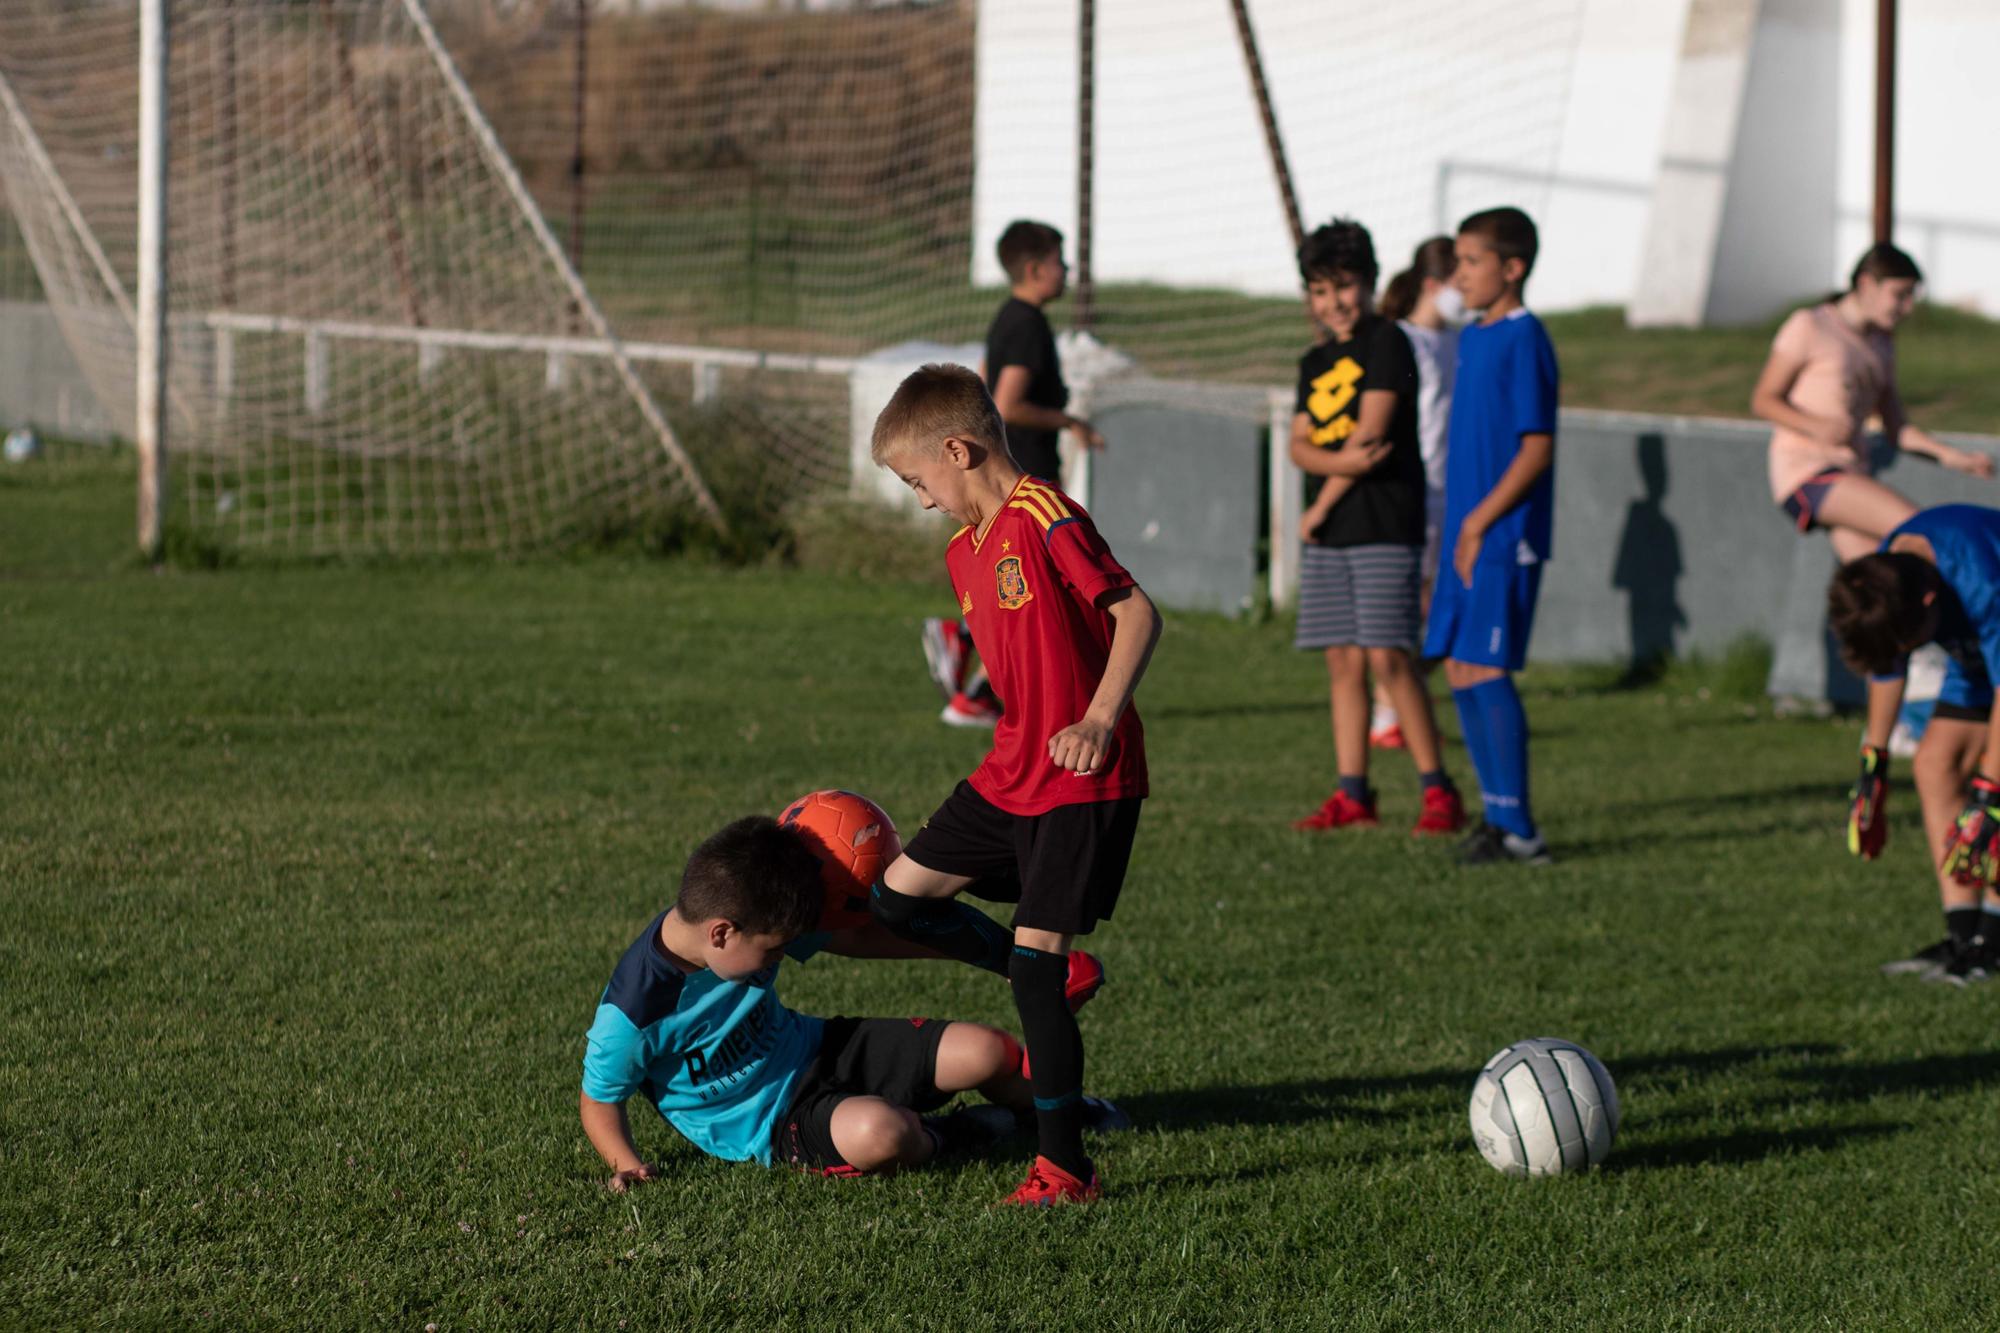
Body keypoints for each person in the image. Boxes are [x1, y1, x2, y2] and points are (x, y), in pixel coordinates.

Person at [869, 363, 1160, 1205]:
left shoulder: (1047, 514)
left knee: (1035, 971)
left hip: (1080, 777)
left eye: (920, 480)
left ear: (958, 450)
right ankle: (1053, 970)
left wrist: (1100, 719)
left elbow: (1137, 613)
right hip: (1010, 772)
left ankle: (1066, 1166)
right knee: (896, 896)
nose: (924, 500)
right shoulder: (965, 552)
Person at [578, 816, 1124, 1187]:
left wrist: (994, 958)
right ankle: (961, 1132)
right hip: (775, 1121)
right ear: (721, 933)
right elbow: (600, 1100)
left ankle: (1044, 1114)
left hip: (818, 1047)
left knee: (988, 1050)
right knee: (882, 1133)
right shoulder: (633, 1013)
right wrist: (628, 1164)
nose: (781, 957)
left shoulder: (752, 917)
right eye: (774, 951)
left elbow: (858, 938)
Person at [1286, 219, 1464, 836]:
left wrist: (1319, 502)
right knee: (1342, 660)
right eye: (1319, 290)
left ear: (1368, 283)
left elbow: (1374, 435)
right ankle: (1353, 792)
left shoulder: (1389, 342)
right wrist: (1335, 473)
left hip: (1385, 521)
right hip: (1334, 529)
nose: (1334, 303)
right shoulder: (1314, 360)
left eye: (1345, 286)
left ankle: (1439, 791)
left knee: (1391, 657)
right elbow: (1300, 445)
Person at [924, 220, 1105, 729]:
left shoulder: (1007, 317)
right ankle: (976, 679)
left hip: (1002, 470)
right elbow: (1006, 402)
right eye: (1060, 262)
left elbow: (981, 385)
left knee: (1021, 587)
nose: (1066, 271)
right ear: (1035, 268)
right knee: (1032, 589)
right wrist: (1069, 420)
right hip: (1024, 472)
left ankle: (975, 668)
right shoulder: (1028, 325)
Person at [1423, 207, 1558, 866]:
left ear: (1513, 268)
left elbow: (1535, 449)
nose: (1459, 275)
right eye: (1457, 261)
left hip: (1501, 534)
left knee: (1486, 664)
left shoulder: (1525, 338)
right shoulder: (1475, 336)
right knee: (1459, 665)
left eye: (1472, 261)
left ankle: (1521, 829)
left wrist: (1479, 522)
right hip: (1465, 530)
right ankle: (1497, 815)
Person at [1831, 504, 2000, 986]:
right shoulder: (1886, 577)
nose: (1907, 654)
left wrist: (1989, 793)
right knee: (1933, 764)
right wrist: (1874, 765)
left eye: (1911, 643)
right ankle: (1963, 936)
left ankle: (1994, 940)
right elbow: (1887, 666)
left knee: (1995, 800)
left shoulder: (1980, 578)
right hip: (1980, 660)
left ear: (1930, 600)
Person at [1751, 243, 1992, 565]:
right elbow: (1763, 400)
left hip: (1852, 471)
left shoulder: (1881, 344)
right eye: (1900, 295)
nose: (1906, 308)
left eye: (1911, 298)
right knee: (1921, 535)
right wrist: (1816, 425)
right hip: (1808, 472)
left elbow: (1898, 428)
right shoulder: (1810, 326)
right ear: (1866, 284)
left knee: (1882, 584)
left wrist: (1950, 456)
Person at [1367, 235, 1462, 749]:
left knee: (1443, 610)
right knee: (1413, 608)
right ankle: (1388, 716)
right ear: (1433, 284)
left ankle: (1400, 705)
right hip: (1415, 490)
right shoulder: (1402, 339)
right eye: (1458, 276)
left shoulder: (1460, 340)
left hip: (1453, 491)